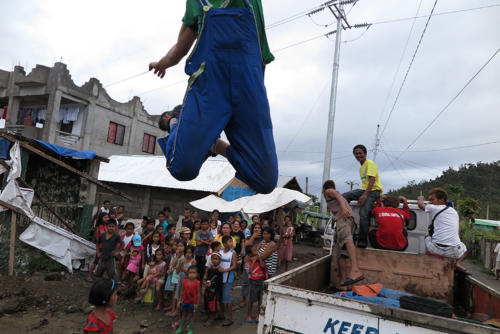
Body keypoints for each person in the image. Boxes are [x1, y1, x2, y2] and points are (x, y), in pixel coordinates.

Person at [149, 0, 278, 195]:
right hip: (209, 88)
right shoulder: (197, 2)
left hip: (249, 90)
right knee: (182, 169)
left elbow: (261, 57)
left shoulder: (253, 3)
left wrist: (255, 97)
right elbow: (180, 47)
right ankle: (175, 123)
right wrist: (163, 63)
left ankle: (215, 145)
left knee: (265, 181)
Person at [323, 180, 364, 288]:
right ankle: (343, 282)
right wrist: (335, 216)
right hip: (347, 221)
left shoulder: (328, 191)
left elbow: (337, 195)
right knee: (341, 253)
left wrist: (343, 209)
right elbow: (338, 203)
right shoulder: (335, 198)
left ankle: (355, 269)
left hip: (344, 220)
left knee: (347, 239)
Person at [418, 188, 469, 274]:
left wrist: (421, 199)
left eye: (432, 199)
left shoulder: (432, 208)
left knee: (426, 236)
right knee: (465, 250)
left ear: (441, 200)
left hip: (436, 249)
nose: (430, 202)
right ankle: (458, 263)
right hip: (454, 252)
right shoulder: (454, 211)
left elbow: (421, 205)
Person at [342, 144, 383, 248]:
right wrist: (362, 194)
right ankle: (348, 217)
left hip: (374, 191)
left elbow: (372, 180)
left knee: (363, 213)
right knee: (343, 197)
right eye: (356, 154)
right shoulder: (361, 168)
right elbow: (364, 185)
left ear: (365, 153)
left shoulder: (370, 163)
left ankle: (362, 241)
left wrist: (364, 195)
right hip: (364, 190)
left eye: (360, 153)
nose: (358, 155)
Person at [245, 244, 266, 323]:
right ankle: (249, 315)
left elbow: (263, 266)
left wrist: (259, 258)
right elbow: (249, 271)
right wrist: (253, 261)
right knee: (251, 299)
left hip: (260, 280)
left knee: (260, 298)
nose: (257, 252)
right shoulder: (247, 261)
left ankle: (258, 315)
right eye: (254, 251)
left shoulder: (258, 257)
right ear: (250, 253)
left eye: (256, 250)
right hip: (253, 281)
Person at [176, 266, 201, 334]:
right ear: (187, 273)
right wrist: (180, 300)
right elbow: (182, 291)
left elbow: (198, 294)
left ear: (197, 274)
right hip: (185, 301)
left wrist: (197, 303)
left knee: (191, 316)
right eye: (190, 272)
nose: (191, 274)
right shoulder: (185, 281)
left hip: (193, 303)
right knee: (183, 314)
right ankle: (181, 328)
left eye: (193, 273)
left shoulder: (197, 283)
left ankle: (191, 329)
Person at [219, 235, 237, 326]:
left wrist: (225, 270)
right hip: (220, 277)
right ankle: (222, 314)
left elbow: (234, 266)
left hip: (227, 277)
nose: (231, 243)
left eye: (231, 241)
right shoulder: (220, 251)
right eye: (229, 241)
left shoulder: (233, 252)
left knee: (227, 298)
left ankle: (230, 318)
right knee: (220, 297)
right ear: (224, 243)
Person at [203, 253, 222, 327]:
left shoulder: (219, 270)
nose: (214, 260)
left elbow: (219, 282)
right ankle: (208, 316)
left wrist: (212, 285)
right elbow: (208, 277)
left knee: (212, 304)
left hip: (214, 291)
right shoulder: (210, 269)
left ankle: (211, 318)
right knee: (207, 302)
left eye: (216, 259)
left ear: (220, 260)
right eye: (213, 259)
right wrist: (207, 282)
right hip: (208, 289)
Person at [168, 240, 186, 317]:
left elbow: (179, 268)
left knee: (179, 294)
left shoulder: (185, 256)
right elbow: (172, 265)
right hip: (175, 276)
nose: (179, 248)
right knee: (174, 293)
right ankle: (173, 309)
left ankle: (177, 311)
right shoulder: (176, 255)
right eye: (178, 246)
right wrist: (177, 256)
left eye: (181, 246)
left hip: (180, 277)